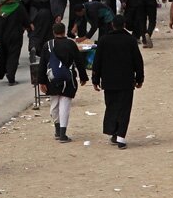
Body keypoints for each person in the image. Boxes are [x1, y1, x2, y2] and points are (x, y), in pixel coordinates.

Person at [91, 15, 145, 149]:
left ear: (112, 25)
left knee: (111, 106)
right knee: (125, 109)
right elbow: (138, 61)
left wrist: (95, 79)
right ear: (124, 25)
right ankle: (121, 137)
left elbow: (97, 62)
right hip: (126, 81)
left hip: (109, 81)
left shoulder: (103, 40)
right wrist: (139, 78)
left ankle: (114, 133)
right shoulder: (130, 40)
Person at [43, 22, 88, 144]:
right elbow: (79, 61)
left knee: (54, 104)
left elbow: (42, 64)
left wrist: (41, 82)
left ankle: (57, 129)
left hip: (52, 79)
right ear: (64, 32)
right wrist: (84, 77)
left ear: (53, 32)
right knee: (65, 105)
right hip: (68, 79)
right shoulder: (70, 44)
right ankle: (63, 133)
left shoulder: (48, 45)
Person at [0, 0, 30, 85]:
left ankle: (6, 71)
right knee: (13, 55)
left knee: (4, 54)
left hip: (2, 36)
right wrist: (27, 27)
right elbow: (26, 20)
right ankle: (11, 76)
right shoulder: (19, 7)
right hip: (16, 36)